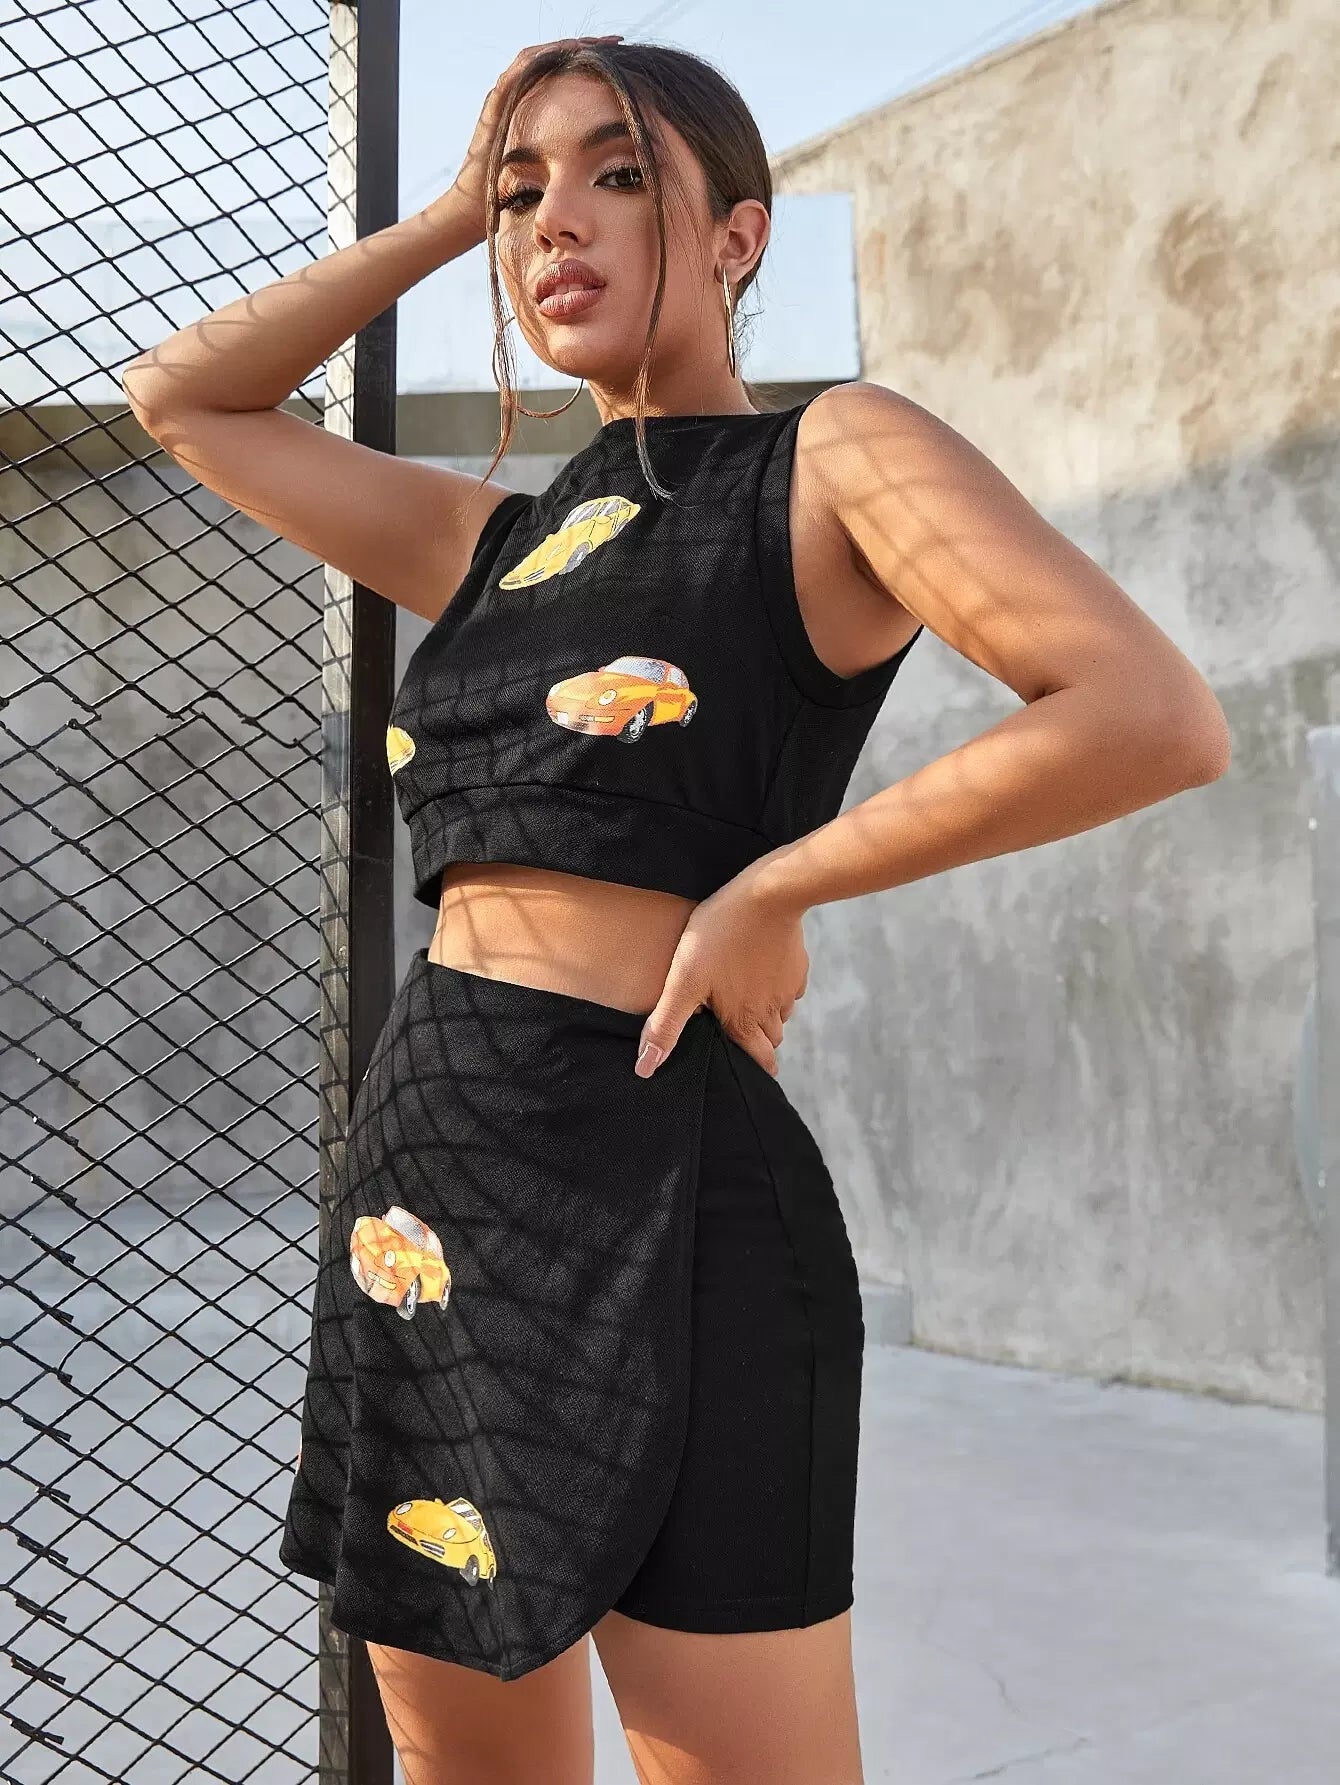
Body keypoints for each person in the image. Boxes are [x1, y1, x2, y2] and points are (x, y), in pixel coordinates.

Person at [121, 33, 1231, 1785]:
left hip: (672, 1185)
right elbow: (184, 399)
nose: (556, 221)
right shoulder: (490, 543)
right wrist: (449, 212)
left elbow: (1150, 714)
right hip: (434, 1197)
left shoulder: (832, 460)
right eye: (528, 191)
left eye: (620, 175)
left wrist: (779, 881)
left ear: (737, 236)